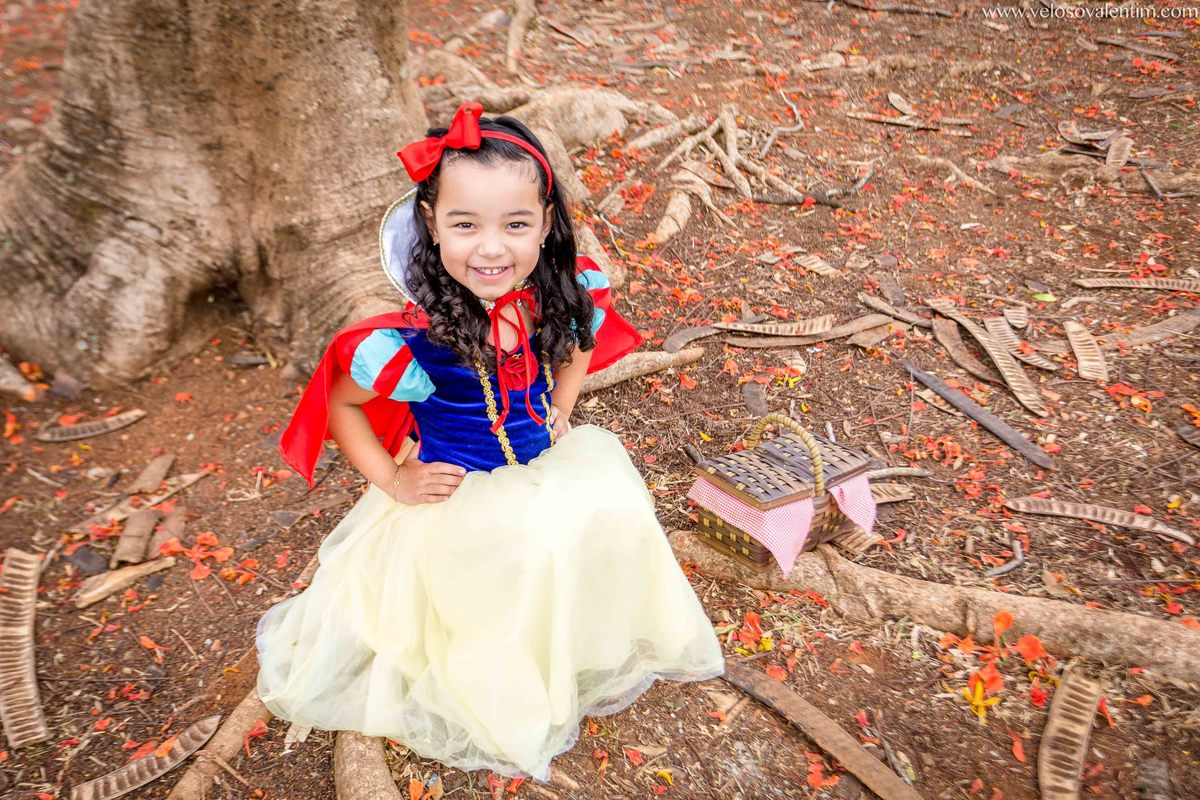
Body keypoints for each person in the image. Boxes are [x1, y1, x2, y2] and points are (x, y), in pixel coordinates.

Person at [255, 102, 724, 782]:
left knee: (611, 513)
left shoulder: (549, 298)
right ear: (430, 223)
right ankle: (501, 682)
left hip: (543, 467)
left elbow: (579, 348)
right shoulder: (415, 338)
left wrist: (560, 408)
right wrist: (394, 479)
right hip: (460, 492)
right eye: (465, 224)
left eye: (515, 224)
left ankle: (569, 645)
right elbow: (342, 407)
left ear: (545, 224)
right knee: (511, 560)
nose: (492, 247)